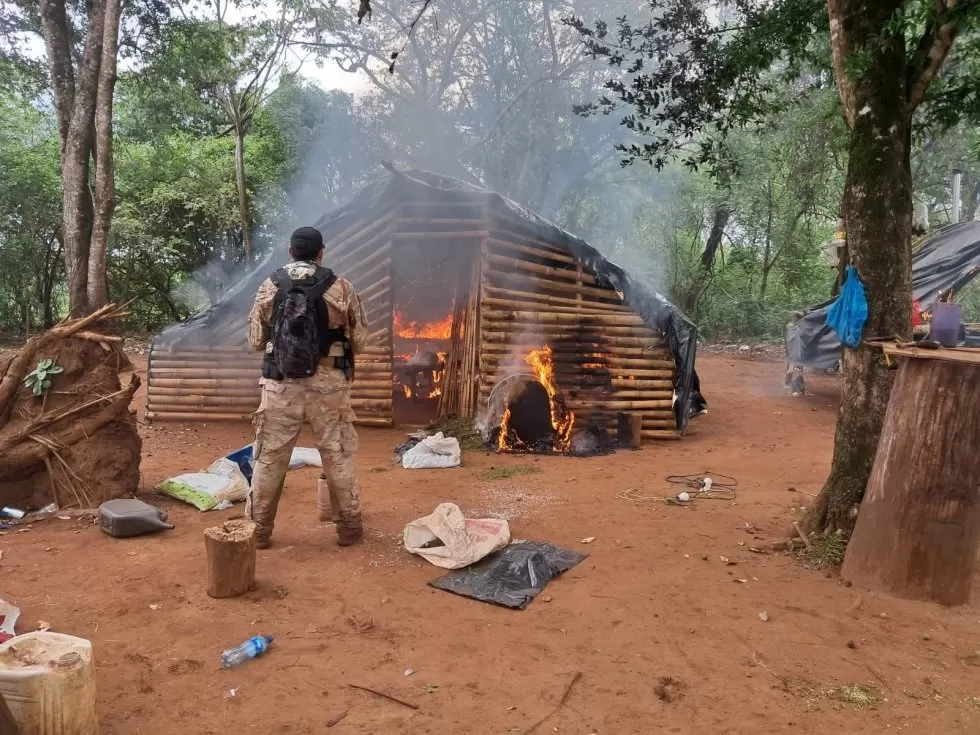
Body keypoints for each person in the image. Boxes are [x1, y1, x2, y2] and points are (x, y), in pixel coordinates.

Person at [245, 226, 367, 549]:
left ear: (289, 252)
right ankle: (349, 529)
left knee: (270, 457)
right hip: (328, 386)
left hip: (280, 385)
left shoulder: (268, 286)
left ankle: (257, 531)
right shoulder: (341, 287)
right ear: (320, 253)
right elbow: (361, 340)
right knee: (337, 454)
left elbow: (256, 341)